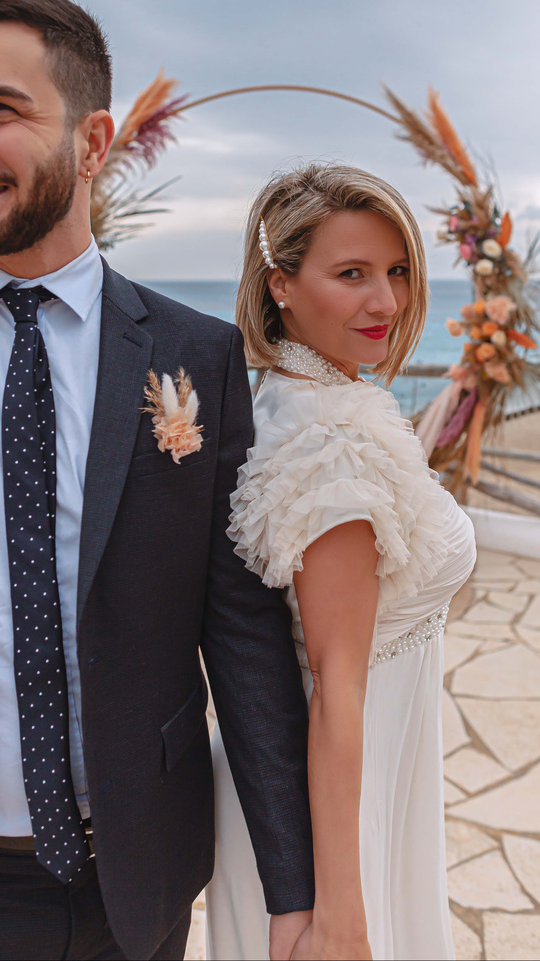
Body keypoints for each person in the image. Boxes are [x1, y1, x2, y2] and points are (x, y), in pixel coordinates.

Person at [0, 0, 316, 961]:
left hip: (138, 882)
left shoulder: (194, 356)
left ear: (92, 141)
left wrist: (297, 891)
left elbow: (241, 638)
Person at [205, 164, 476, 961]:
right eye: (351, 274)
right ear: (281, 284)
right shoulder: (331, 443)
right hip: (340, 814)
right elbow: (336, 688)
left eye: (395, 272)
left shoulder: (293, 395)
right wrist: (339, 912)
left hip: (352, 782)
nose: (386, 303)